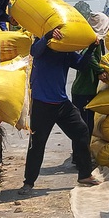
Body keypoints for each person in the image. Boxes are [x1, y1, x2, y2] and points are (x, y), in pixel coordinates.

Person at [20, 27, 102, 194]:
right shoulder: (41, 46)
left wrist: (92, 48)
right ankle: (28, 182)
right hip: (42, 104)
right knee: (37, 144)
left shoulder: (66, 51)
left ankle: (84, 174)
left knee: (81, 131)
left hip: (61, 103)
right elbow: (34, 51)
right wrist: (48, 35)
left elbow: (82, 66)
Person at [71, 12, 109, 155]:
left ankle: (80, 154)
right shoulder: (93, 41)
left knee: (85, 124)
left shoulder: (91, 39)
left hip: (84, 89)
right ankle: (80, 156)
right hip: (83, 90)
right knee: (84, 125)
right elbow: (88, 57)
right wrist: (99, 70)